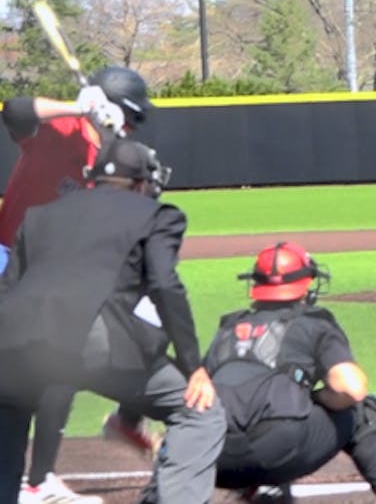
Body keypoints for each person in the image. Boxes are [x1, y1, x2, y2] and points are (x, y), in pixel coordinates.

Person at [0, 138, 226, 504]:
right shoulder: (157, 215)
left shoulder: (40, 215)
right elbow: (165, 286)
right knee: (199, 411)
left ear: (92, 179)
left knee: (7, 426)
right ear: (142, 182)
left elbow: (7, 290)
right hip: (89, 341)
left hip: (12, 345)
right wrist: (193, 366)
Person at [0, 66, 161, 504]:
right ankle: (32, 479)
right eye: (130, 116)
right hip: (8, 258)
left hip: (58, 271)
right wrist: (79, 106)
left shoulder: (116, 151)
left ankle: (40, 479)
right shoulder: (63, 125)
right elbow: (12, 110)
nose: (131, 125)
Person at [203, 242, 376, 504]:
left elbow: (194, 398)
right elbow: (352, 387)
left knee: (274, 409)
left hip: (214, 461)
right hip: (278, 452)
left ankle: (264, 493)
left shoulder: (228, 328)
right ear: (305, 284)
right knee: (364, 411)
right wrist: (319, 399)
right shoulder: (314, 322)